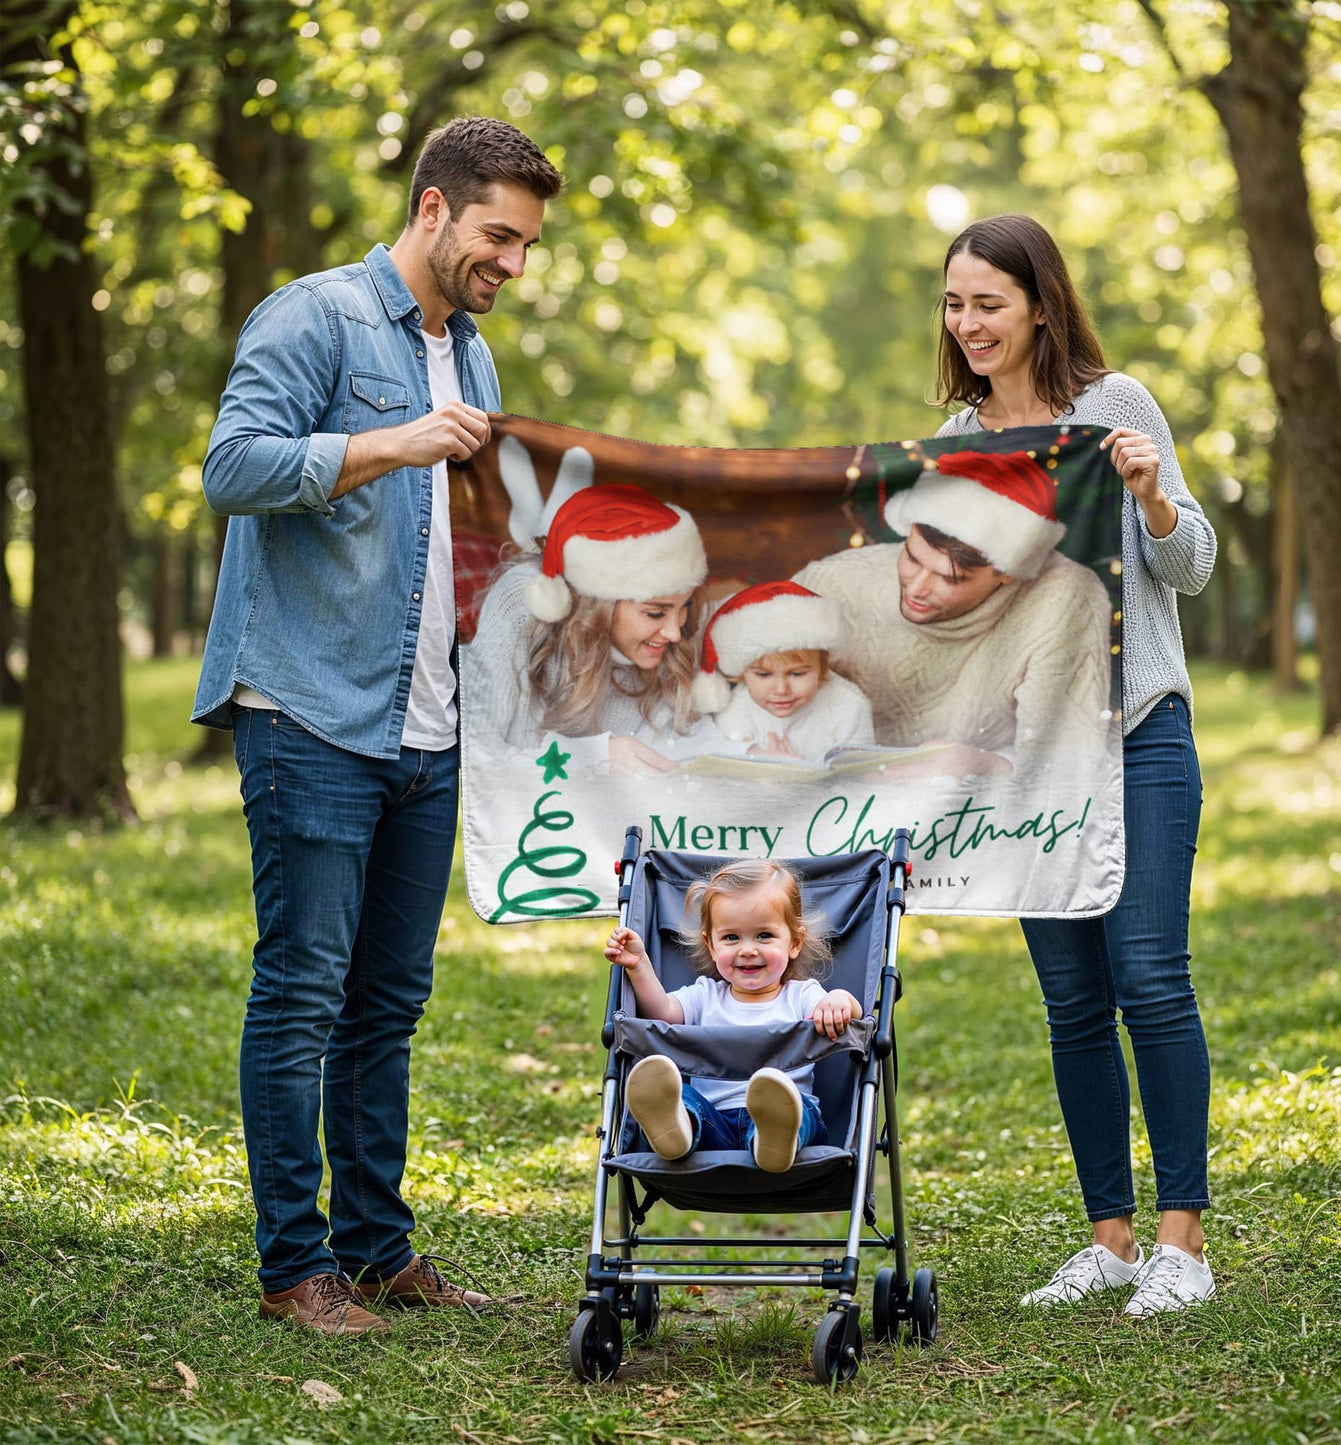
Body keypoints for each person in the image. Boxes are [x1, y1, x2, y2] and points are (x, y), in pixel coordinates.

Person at [191, 117, 563, 1333]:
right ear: (432, 210)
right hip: (308, 707)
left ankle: (376, 1247)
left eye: (525, 245)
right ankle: (293, 1266)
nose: (511, 262)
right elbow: (233, 468)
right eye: (497, 236)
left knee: (388, 1000)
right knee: (301, 987)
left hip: (428, 723)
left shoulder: (478, 359)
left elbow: (462, 538)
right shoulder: (313, 318)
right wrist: (387, 442)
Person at [931, 213, 1218, 1316]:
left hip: (1137, 729)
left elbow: (1186, 564)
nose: (968, 326)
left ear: (1039, 303)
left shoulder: (1116, 405)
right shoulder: (953, 447)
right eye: (954, 306)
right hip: (1028, 762)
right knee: (1069, 999)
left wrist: (1148, 494)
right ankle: (1106, 1239)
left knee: (1148, 975)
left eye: (987, 304)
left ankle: (1179, 1244)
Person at [795, 446, 1112, 786]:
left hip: (971, 820)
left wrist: (987, 766)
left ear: (1008, 572)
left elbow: (1069, 767)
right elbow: (737, 679)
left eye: (950, 578)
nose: (916, 588)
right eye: (912, 558)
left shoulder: (1063, 596)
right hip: (829, 809)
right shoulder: (834, 582)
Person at [604, 859, 862, 1172]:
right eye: (731, 938)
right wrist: (639, 964)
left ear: (794, 942)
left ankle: (773, 1138)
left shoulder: (802, 995)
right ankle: (677, 1129)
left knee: (800, 1109)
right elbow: (664, 1015)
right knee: (684, 1097)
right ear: (710, 945)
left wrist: (839, 999)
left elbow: (850, 1013)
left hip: (791, 1120)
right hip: (715, 1122)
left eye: (764, 935)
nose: (748, 950)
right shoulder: (705, 994)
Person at [462, 482, 712, 776]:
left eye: (685, 607)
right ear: (599, 604)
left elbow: (681, 749)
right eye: (655, 613)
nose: (674, 633)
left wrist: (749, 752)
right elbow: (476, 751)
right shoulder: (525, 601)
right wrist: (595, 758)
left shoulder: (663, 648)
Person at [689, 581, 875, 762]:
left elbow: (861, 778)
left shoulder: (850, 707)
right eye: (763, 675)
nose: (781, 689)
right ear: (742, 673)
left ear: (822, 667)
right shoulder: (735, 712)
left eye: (797, 674)